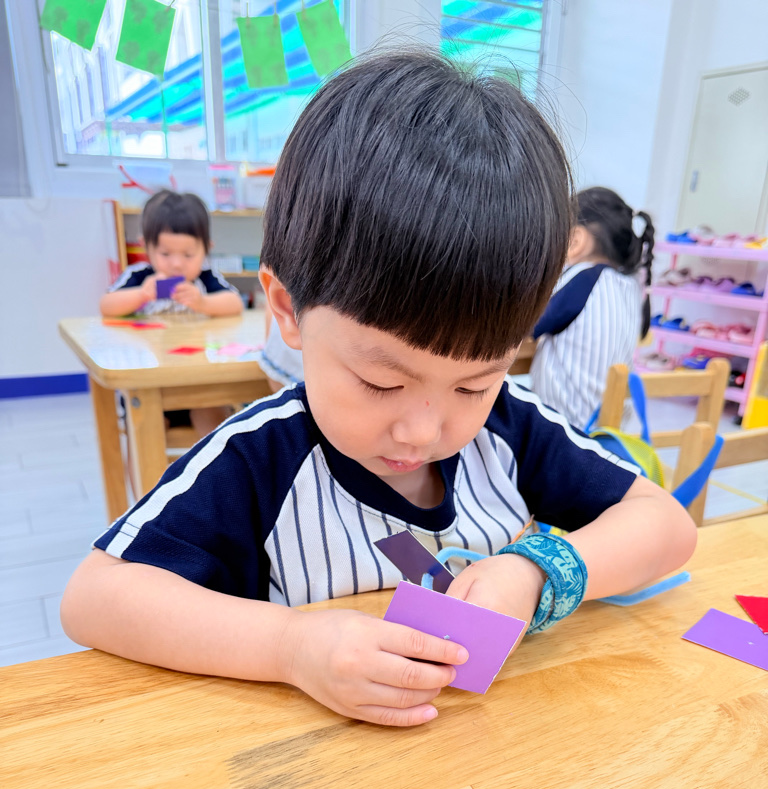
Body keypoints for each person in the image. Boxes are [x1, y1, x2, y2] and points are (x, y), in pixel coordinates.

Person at [62, 52, 696, 729]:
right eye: (380, 381)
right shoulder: (259, 459)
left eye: (474, 384)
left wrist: (537, 571)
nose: (423, 431)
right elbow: (93, 598)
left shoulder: (512, 428)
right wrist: (290, 645)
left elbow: (668, 526)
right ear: (288, 310)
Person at [101, 190, 244, 436]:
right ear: (146, 246)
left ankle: (215, 461)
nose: (177, 264)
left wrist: (203, 303)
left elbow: (235, 303)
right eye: (165, 254)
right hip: (149, 382)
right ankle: (146, 462)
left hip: (199, 381)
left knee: (216, 418)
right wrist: (141, 295)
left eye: (188, 255)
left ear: (206, 249)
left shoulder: (204, 279)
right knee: (143, 427)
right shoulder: (140, 277)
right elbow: (106, 306)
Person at [529, 187, 655, 429]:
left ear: (576, 240)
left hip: (564, 429)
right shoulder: (629, 286)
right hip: (607, 431)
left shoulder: (585, 277)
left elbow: (525, 325)